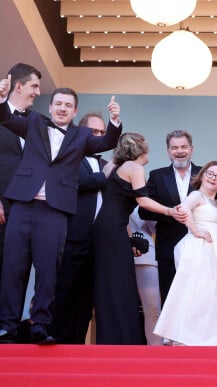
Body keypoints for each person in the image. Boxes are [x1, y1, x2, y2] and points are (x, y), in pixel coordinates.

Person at [0, 79, 122, 345]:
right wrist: (1, 99)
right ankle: (6, 327)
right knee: (13, 267)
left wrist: (114, 120)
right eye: (58, 104)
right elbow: (7, 119)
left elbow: (107, 143)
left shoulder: (81, 136)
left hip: (55, 210)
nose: (62, 109)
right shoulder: (33, 122)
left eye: (68, 105)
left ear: (75, 111)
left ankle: (40, 325)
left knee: (48, 271)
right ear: (51, 106)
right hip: (22, 204)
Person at [92, 132, 184, 345]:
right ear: (142, 149)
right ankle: (121, 341)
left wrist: (130, 240)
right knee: (119, 284)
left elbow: (118, 210)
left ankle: (114, 339)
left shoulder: (117, 168)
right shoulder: (135, 168)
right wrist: (170, 211)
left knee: (116, 283)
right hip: (112, 229)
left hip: (111, 227)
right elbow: (143, 201)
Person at [154, 161, 217, 346]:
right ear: (202, 175)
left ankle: (211, 335)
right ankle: (185, 335)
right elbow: (183, 208)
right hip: (199, 247)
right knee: (198, 290)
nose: (213, 177)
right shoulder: (197, 195)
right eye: (210, 173)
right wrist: (195, 231)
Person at [49, 112, 109, 344]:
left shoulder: (105, 163)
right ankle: (55, 340)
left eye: (102, 132)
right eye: (94, 132)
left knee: (87, 296)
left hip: (99, 240)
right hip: (72, 235)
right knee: (65, 290)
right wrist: (104, 175)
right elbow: (75, 184)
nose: (98, 136)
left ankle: (77, 347)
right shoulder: (69, 157)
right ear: (82, 133)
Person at [138, 130, 201, 306]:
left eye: (183, 147)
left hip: (198, 248)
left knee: (196, 302)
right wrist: (170, 213)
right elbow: (144, 212)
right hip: (168, 249)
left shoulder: (204, 174)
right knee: (170, 302)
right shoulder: (157, 176)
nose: (179, 151)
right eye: (174, 147)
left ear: (191, 149)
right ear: (168, 151)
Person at [0, 64, 41, 286]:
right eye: (34, 86)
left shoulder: (37, 121)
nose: (37, 92)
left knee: (19, 274)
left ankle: (11, 321)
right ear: (18, 86)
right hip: (1, 207)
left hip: (27, 212)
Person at [129, 208, 162, 346]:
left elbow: (155, 226)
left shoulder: (145, 198)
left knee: (153, 308)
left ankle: (156, 355)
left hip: (146, 254)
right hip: (115, 252)